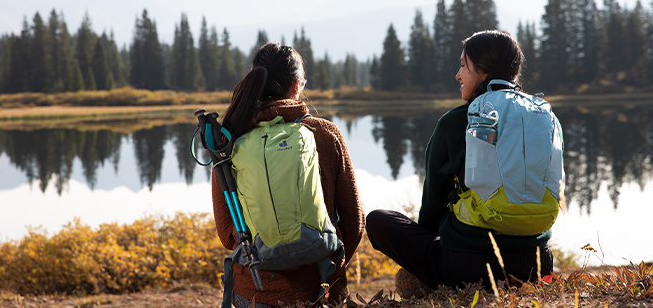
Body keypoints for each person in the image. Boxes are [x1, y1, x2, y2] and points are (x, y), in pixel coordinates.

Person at [365, 30, 559, 292]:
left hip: (468, 266)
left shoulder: (455, 122)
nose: (458, 75)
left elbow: (432, 211)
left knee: (378, 220)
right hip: (537, 263)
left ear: (483, 72)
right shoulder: (543, 117)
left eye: (463, 66)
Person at [211, 42, 365, 307]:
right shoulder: (325, 134)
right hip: (321, 291)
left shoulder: (231, 140)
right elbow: (355, 223)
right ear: (296, 86)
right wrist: (329, 267)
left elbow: (228, 234)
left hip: (254, 293)